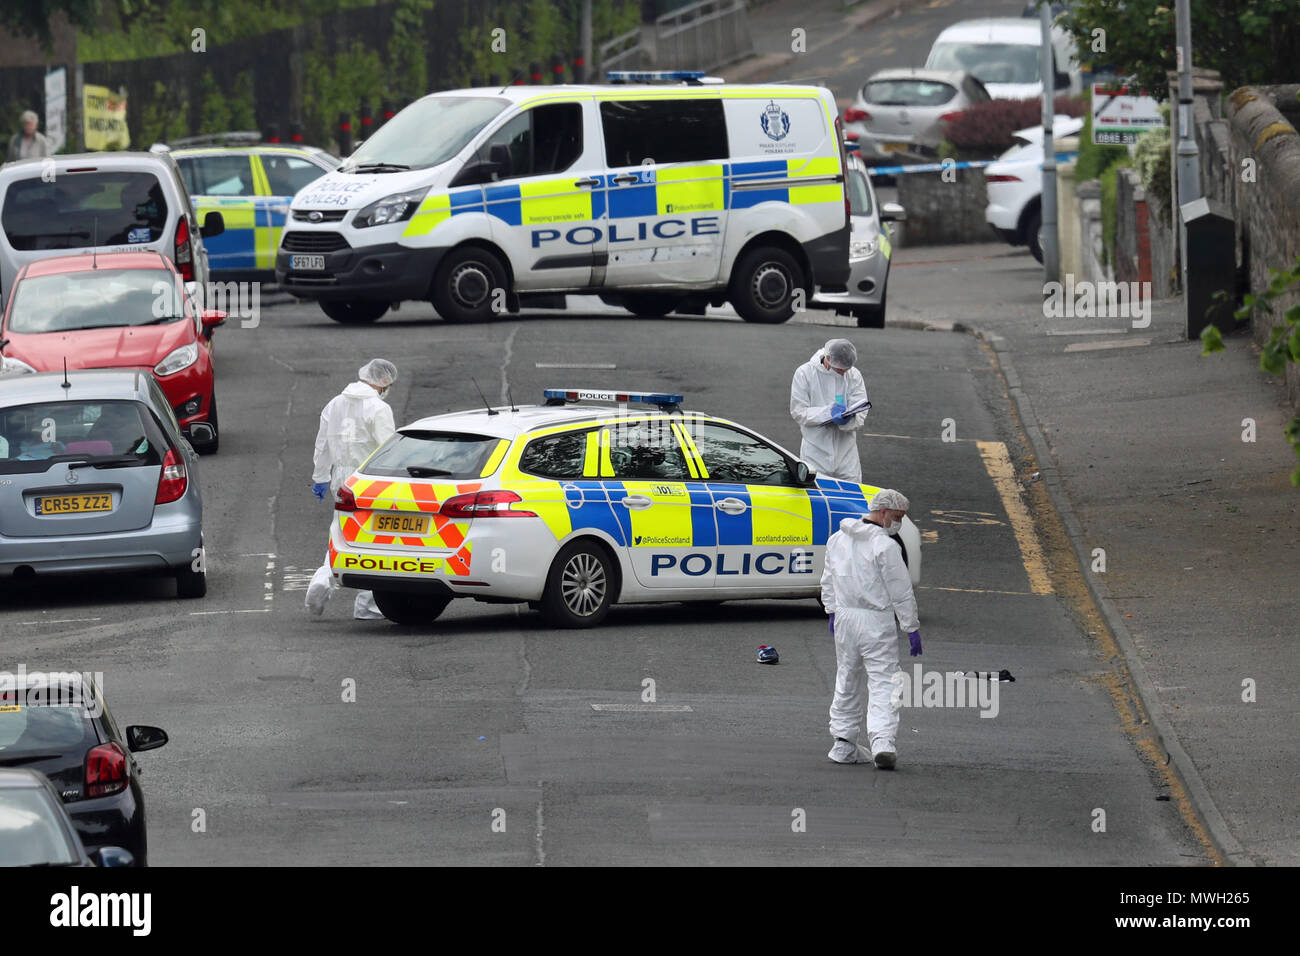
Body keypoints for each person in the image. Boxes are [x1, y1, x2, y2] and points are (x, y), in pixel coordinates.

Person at [821, 488, 922, 769]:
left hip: (844, 618)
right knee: (884, 681)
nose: (898, 522)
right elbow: (901, 592)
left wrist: (831, 611)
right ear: (882, 512)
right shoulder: (886, 548)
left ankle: (843, 744)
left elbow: (827, 579)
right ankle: (882, 742)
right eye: (896, 516)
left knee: (847, 678)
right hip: (875, 621)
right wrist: (910, 627)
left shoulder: (838, 539)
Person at [305, 359, 399, 620]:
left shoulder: (335, 403)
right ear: (383, 383)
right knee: (377, 539)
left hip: (341, 479)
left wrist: (321, 476)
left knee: (342, 531)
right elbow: (388, 450)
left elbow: (322, 443)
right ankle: (368, 604)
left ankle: (324, 577)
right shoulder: (378, 408)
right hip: (371, 480)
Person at [789, 338, 869, 482]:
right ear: (828, 358)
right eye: (839, 370)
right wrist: (827, 413)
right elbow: (798, 411)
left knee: (852, 495)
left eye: (846, 370)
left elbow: (861, 411)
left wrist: (848, 420)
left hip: (846, 454)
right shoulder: (805, 373)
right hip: (815, 451)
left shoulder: (854, 374)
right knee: (817, 496)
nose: (843, 374)